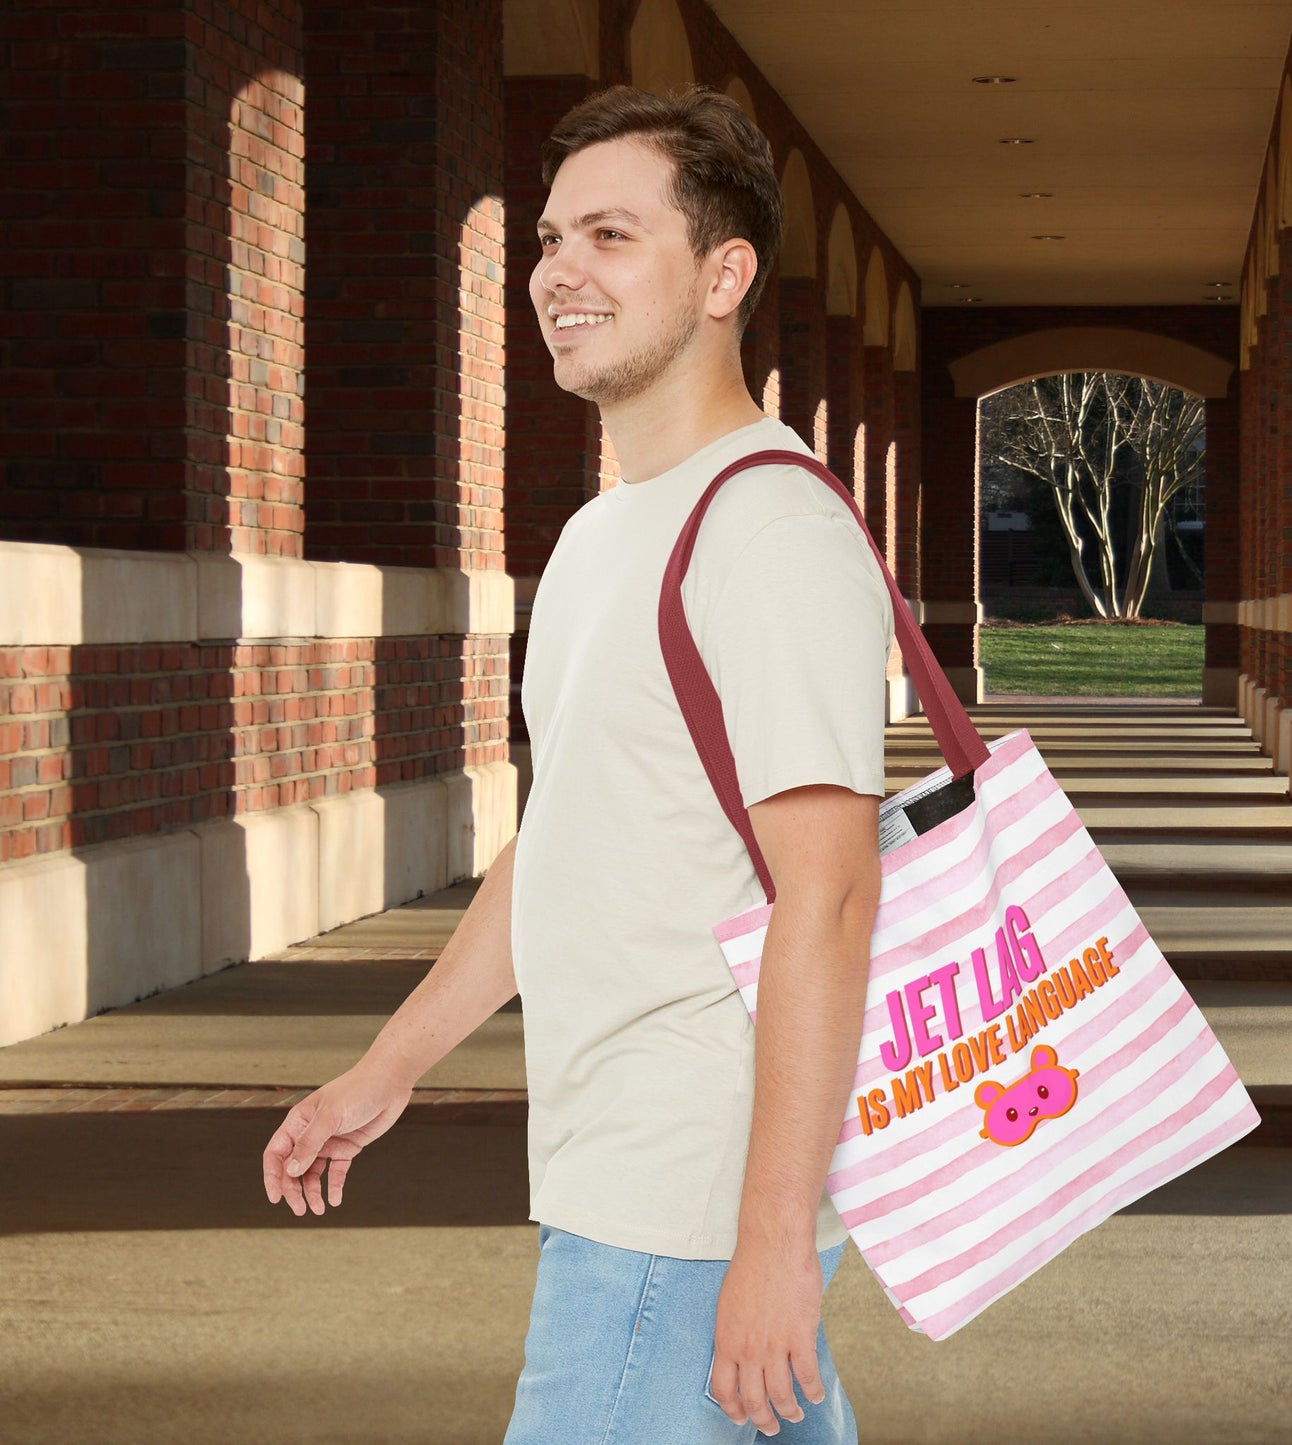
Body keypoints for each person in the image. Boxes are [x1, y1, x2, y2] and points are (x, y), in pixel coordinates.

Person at [262, 83, 894, 1443]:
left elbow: (829, 896)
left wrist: (770, 1240)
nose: (559, 272)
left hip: (682, 1207)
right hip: (620, 1176)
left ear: (722, 272)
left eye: (611, 235)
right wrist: (389, 1066)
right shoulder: (607, 536)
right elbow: (565, 849)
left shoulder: (768, 531)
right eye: (550, 238)